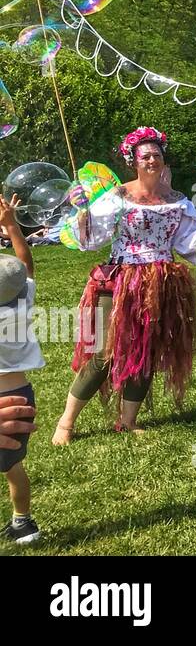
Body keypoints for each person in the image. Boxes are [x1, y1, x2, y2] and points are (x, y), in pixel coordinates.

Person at [52, 127, 196, 443]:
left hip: (161, 281)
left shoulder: (177, 201)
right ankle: (65, 424)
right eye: (145, 155)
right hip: (119, 280)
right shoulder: (119, 196)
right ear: (134, 161)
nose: (152, 159)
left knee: (146, 352)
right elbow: (91, 239)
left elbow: (184, 242)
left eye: (156, 154)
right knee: (103, 353)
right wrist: (83, 210)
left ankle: (128, 421)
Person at [0, 197, 41, 545]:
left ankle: (24, 525)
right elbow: (25, 264)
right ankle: (23, 522)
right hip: (21, 396)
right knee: (13, 468)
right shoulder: (23, 299)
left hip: (3, 405)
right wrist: (12, 226)